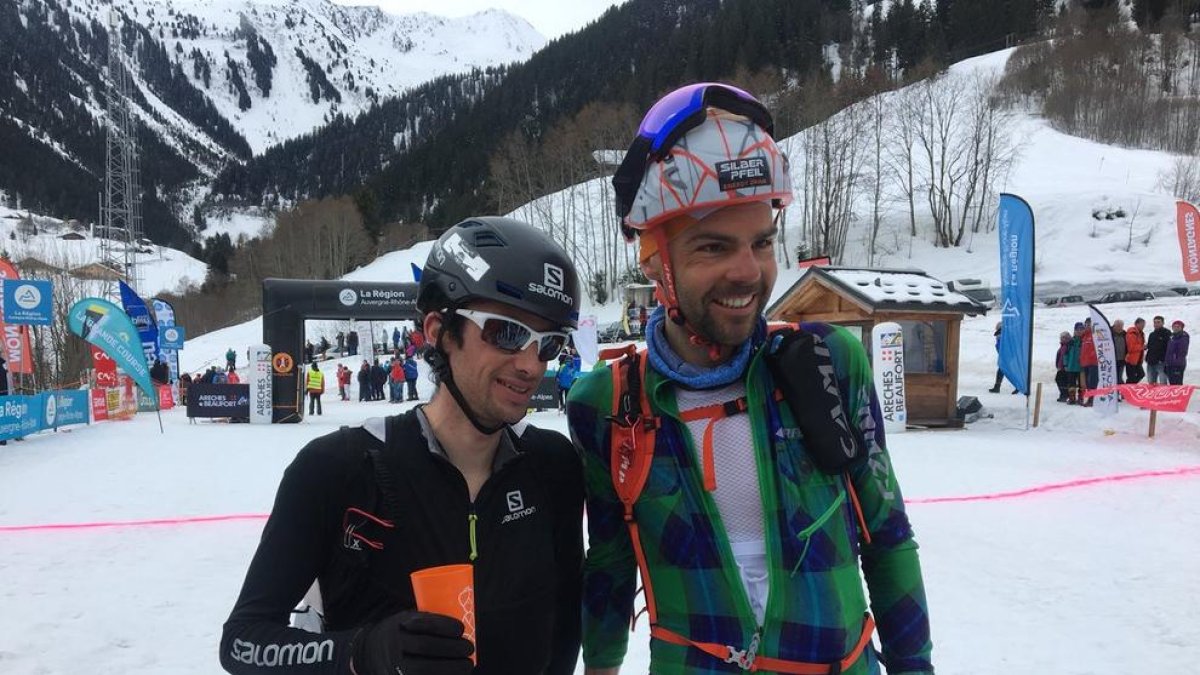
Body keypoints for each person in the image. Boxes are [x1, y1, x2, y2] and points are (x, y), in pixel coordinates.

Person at [568, 83, 932, 675]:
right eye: (713, 247)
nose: (748, 272)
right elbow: (609, 562)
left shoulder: (828, 362)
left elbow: (887, 535)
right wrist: (602, 667)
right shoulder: (607, 403)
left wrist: (916, 667)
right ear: (655, 260)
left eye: (762, 243)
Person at [219, 216, 584, 675]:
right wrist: (360, 653)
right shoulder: (338, 469)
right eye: (507, 333)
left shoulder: (554, 466)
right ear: (437, 330)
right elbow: (242, 642)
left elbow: (567, 620)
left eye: (548, 344)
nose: (531, 365)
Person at [988, 321, 1017, 394]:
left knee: (1006, 371)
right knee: (1004, 371)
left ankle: (1018, 386)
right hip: (1006, 356)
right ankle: (997, 387)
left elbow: (1003, 347)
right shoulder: (1003, 336)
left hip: (1007, 357)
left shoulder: (1004, 336)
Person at [1145, 315, 1172, 384]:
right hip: (1151, 362)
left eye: (1158, 322)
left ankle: (1163, 395)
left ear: (1163, 323)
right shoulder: (1152, 334)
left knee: (1163, 383)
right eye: (1155, 322)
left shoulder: (1167, 333)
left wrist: (1165, 359)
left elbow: (1170, 348)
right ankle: (1152, 395)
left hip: (1161, 363)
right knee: (1151, 383)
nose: (1156, 324)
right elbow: (1149, 346)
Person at [1078, 318, 1097, 407]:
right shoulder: (1084, 336)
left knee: (1092, 382)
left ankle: (1092, 399)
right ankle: (1089, 398)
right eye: (1086, 325)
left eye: (1089, 325)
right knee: (1087, 383)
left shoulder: (1096, 335)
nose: (1087, 326)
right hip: (1085, 363)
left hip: (1093, 363)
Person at [1165, 320, 1189, 385]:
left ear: (1181, 328)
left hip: (1178, 365)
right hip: (1170, 364)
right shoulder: (1172, 336)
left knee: (1177, 384)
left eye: (1178, 327)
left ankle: (1180, 395)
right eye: (1174, 326)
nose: (1176, 328)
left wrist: (1176, 363)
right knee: (1172, 383)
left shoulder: (1183, 337)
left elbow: (1182, 352)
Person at [1125, 317, 1146, 384]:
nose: (1143, 326)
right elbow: (1131, 348)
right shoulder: (1132, 333)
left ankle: (1131, 387)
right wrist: (1142, 347)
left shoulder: (1141, 333)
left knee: (1141, 374)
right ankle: (1127, 390)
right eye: (1141, 325)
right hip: (1131, 360)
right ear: (1136, 324)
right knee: (1132, 378)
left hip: (1138, 360)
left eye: (1144, 325)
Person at [1055, 331, 1073, 402]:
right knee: (1060, 380)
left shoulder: (1067, 346)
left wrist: (1065, 365)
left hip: (1065, 367)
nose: (1063, 339)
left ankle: (1064, 395)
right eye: (1062, 338)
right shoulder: (1063, 346)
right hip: (1061, 367)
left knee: (1061, 381)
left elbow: (1064, 357)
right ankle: (1063, 394)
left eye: (1065, 338)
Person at [1110, 319, 1126, 385]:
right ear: (1114, 326)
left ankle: (1122, 392)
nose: (1119, 328)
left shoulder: (1125, 334)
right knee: (1114, 378)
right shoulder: (1109, 334)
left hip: (1122, 359)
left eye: (1121, 326)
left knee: (1119, 377)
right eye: (1118, 326)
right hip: (1112, 360)